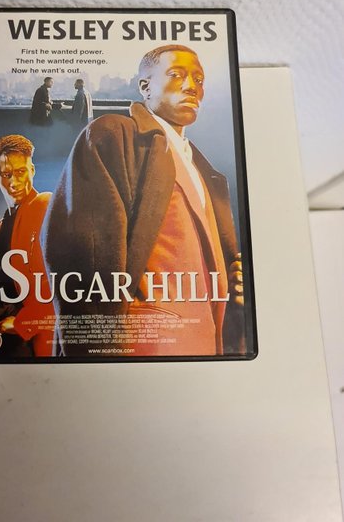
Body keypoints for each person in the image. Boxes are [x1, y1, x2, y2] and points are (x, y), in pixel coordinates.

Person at [44, 45, 244, 357]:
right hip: (140, 350)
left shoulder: (202, 169)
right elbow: (81, 259)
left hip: (207, 351)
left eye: (199, 79)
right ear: (145, 87)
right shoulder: (113, 134)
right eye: (176, 74)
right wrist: (97, 360)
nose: (191, 86)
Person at [0, 134, 55, 360]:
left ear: (32, 170)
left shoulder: (45, 204)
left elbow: (65, 277)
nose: (14, 182)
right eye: (6, 174)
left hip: (32, 337)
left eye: (21, 171)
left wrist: (24, 323)